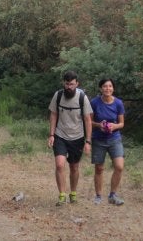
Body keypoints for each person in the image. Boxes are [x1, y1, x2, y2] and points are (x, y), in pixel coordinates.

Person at [47, 70, 93, 206]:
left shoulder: (82, 97)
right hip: (60, 135)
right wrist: (51, 134)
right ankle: (62, 195)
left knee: (74, 167)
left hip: (77, 137)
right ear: (64, 83)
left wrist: (88, 141)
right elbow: (53, 115)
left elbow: (87, 120)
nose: (69, 87)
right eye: (67, 84)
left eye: (72, 84)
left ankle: (73, 192)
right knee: (60, 164)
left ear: (77, 84)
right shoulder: (58, 95)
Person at [90, 78, 126, 205]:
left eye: (110, 86)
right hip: (98, 139)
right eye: (105, 86)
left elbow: (121, 123)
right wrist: (99, 125)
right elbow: (89, 122)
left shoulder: (118, 103)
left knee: (119, 166)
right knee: (99, 168)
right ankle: (98, 196)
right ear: (101, 89)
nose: (108, 89)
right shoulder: (94, 102)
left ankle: (112, 195)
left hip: (114, 139)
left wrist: (114, 126)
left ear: (113, 88)